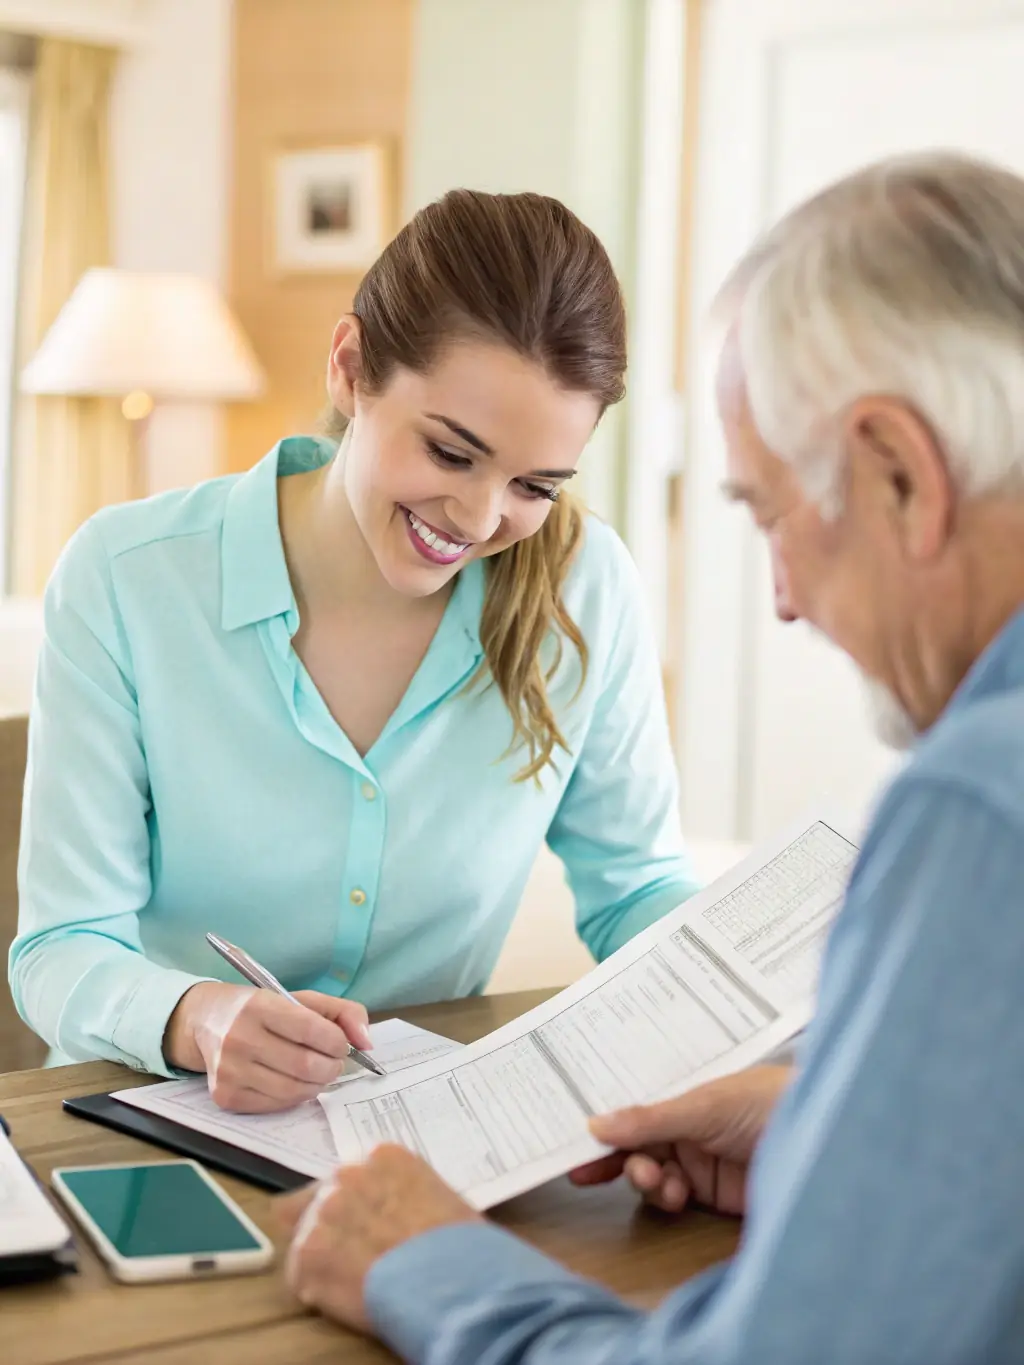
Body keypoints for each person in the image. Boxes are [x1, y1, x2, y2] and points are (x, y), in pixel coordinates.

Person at [279, 150, 1024, 1364]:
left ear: (898, 472)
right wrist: (827, 1134)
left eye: (768, 513)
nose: (781, 601)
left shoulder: (982, 811)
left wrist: (430, 1263)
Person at [10, 190, 699, 1112]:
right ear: (351, 368)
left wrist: (750, 994)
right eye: (453, 453)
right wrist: (200, 1017)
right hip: (139, 1119)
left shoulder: (585, 590)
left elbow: (638, 888)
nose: (482, 519)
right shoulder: (128, 579)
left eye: (535, 483)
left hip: (432, 1132)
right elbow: (61, 948)